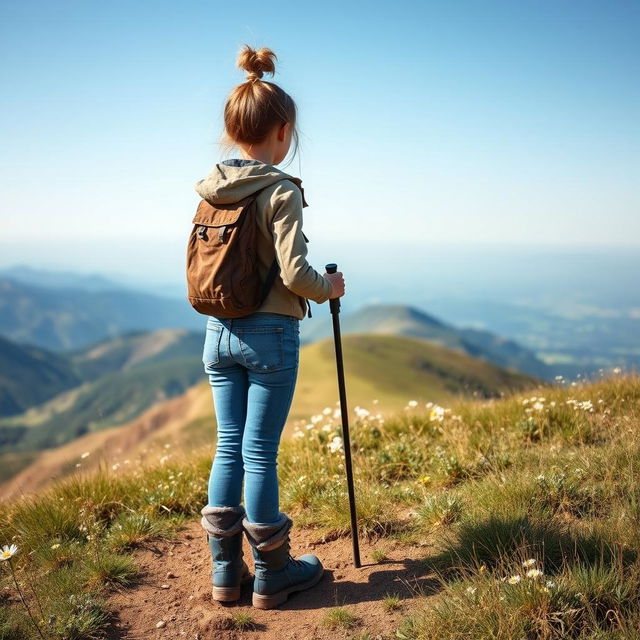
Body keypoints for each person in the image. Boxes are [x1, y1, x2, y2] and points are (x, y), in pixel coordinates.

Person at [196, 44, 345, 609]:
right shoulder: (279, 189)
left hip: (217, 331)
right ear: (282, 131)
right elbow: (295, 273)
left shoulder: (212, 189)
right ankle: (274, 573)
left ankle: (223, 572)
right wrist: (328, 288)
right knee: (259, 453)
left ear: (234, 129)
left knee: (227, 447)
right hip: (269, 335)